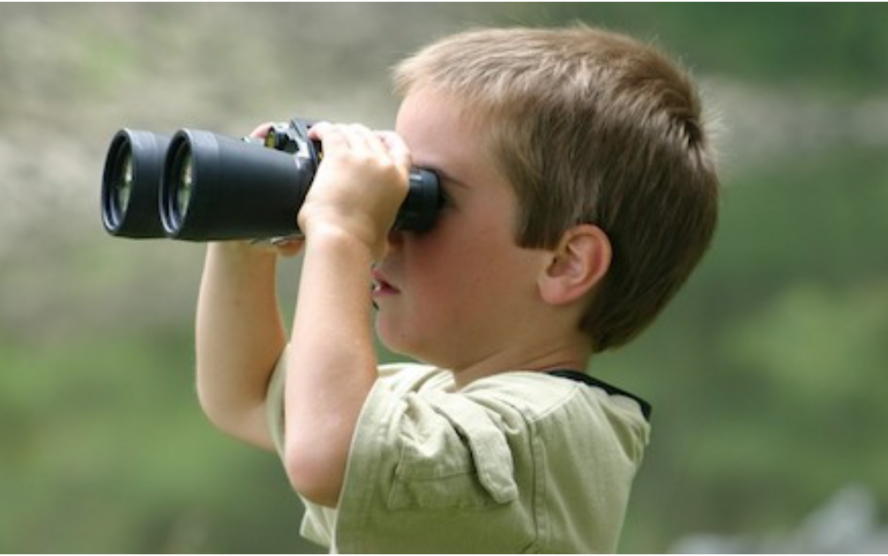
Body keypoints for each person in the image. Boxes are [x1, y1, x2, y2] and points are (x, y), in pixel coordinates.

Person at [194, 24, 719, 553]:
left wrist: (343, 231)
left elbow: (328, 457)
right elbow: (246, 396)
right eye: (391, 192)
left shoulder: (542, 431)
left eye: (422, 199)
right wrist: (244, 230)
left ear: (564, 263)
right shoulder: (432, 397)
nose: (387, 230)